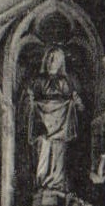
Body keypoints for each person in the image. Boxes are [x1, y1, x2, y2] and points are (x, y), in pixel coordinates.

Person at [26, 45, 84, 193]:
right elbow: (29, 106)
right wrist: (30, 101)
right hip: (42, 124)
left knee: (58, 152)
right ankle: (41, 184)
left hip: (60, 126)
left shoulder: (64, 82)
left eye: (55, 58)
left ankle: (56, 185)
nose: (51, 61)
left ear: (60, 63)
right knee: (42, 147)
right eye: (50, 57)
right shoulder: (39, 81)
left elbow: (76, 105)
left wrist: (75, 102)